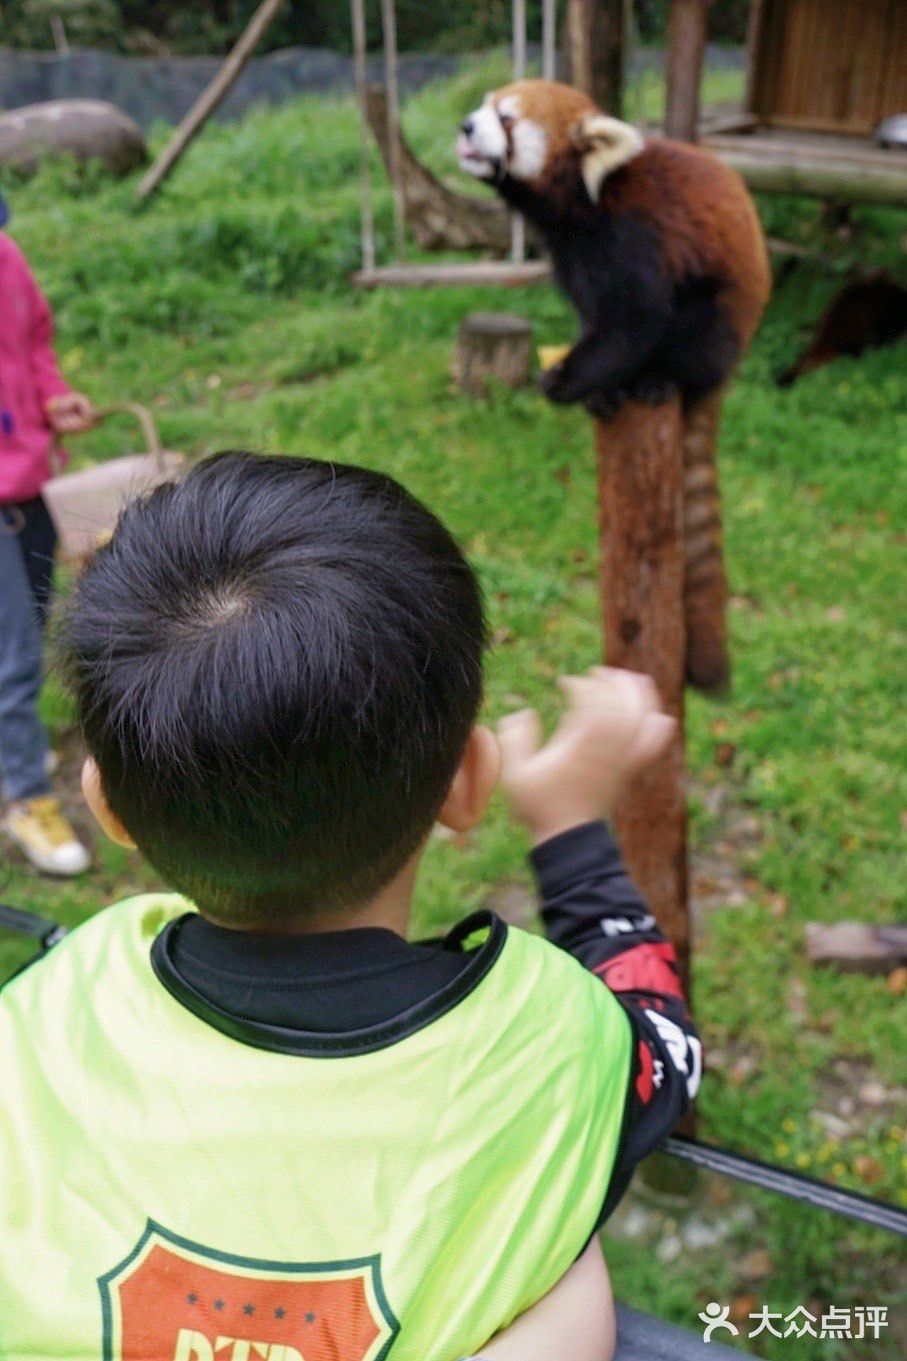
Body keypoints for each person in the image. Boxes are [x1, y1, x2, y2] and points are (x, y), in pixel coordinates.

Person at [0, 453, 700, 1360]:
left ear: (109, 807)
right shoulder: (547, 1039)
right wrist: (569, 828)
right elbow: (662, 1039)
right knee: (574, 1288)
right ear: (468, 784)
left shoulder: (55, 1003)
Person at [0, 187, 95, 874]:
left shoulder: (6, 255)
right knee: (18, 656)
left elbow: (33, 345)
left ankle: (17, 747)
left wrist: (53, 398)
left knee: (30, 621)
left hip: (30, 484)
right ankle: (25, 795)